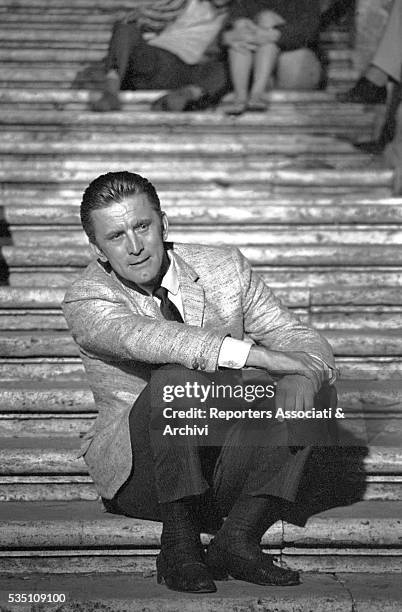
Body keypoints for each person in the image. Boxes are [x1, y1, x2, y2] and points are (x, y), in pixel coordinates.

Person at [62, 171, 337, 594]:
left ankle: (237, 539)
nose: (135, 247)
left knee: (316, 388)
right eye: (116, 236)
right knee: (176, 377)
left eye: (142, 226)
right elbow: (158, 339)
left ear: (163, 223)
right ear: (97, 248)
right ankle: (178, 544)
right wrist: (260, 356)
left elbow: (296, 336)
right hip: (144, 476)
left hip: (225, 463)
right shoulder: (87, 297)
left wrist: (306, 371)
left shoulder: (223, 267)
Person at [91, 0, 231, 112]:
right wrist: (138, 19)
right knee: (125, 29)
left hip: (189, 74)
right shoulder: (185, 3)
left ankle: (182, 97)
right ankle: (110, 92)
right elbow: (140, 17)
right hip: (158, 59)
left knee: (229, 68)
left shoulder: (237, 17)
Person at [223, 0, 324, 114]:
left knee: (267, 19)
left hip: (293, 64)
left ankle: (257, 94)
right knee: (240, 27)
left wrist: (274, 34)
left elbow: (309, 30)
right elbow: (226, 29)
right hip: (253, 61)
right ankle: (240, 96)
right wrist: (231, 36)